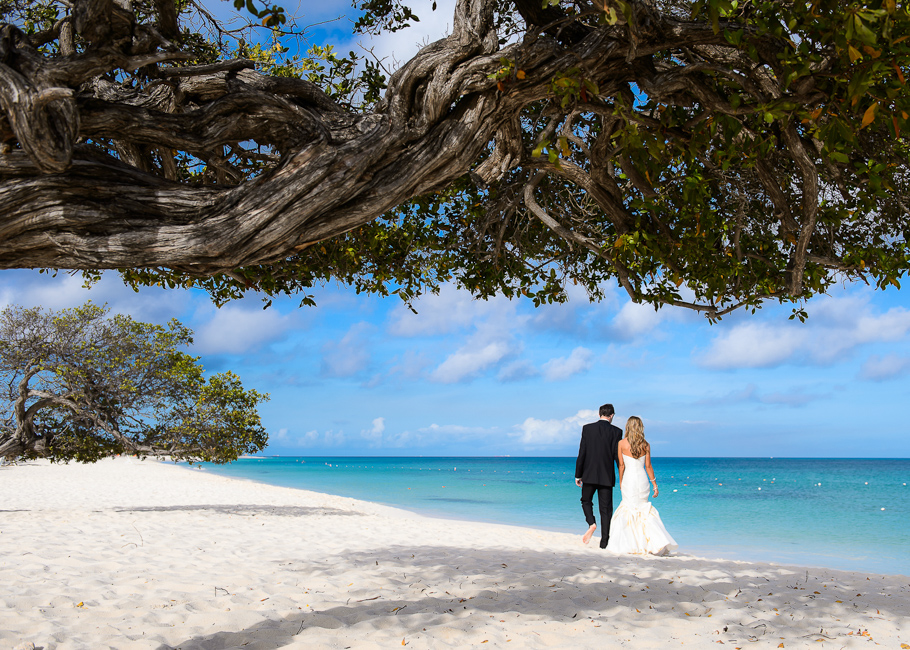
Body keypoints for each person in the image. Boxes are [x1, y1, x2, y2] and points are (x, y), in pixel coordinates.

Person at [606, 416, 677, 556]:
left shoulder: (621, 443)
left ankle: (630, 545)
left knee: (628, 508)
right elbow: (648, 466)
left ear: (628, 427)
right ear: (640, 427)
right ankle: (651, 544)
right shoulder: (645, 444)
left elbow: (621, 465)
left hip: (628, 479)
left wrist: (621, 481)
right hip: (642, 479)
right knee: (643, 510)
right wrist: (655, 485)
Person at [574, 403, 624, 549]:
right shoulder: (617, 431)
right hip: (606, 476)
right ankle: (604, 543)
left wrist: (578, 474)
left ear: (599, 414)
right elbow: (617, 457)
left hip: (588, 474)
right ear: (612, 415)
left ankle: (591, 523)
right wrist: (623, 474)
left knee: (585, 500)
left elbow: (582, 452)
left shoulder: (587, 429)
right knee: (606, 510)